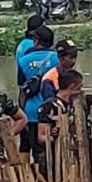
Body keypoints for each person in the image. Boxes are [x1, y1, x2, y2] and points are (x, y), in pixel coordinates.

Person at [17, 25, 58, 156]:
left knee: (37, 151)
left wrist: (21, 113)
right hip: (54, 112)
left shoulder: (23, 61)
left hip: (32, 112)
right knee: (56, 149)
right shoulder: (58, 59)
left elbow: (22, 90)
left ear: (35, 40)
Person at [36, 69, 85, 170]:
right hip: (56, 157)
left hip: (75, 155)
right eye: (79, 87)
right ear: (72, 86)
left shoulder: (77, 104)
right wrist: (54, 136)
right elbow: (41, 136)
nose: (81, 91)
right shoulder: (48, 107)